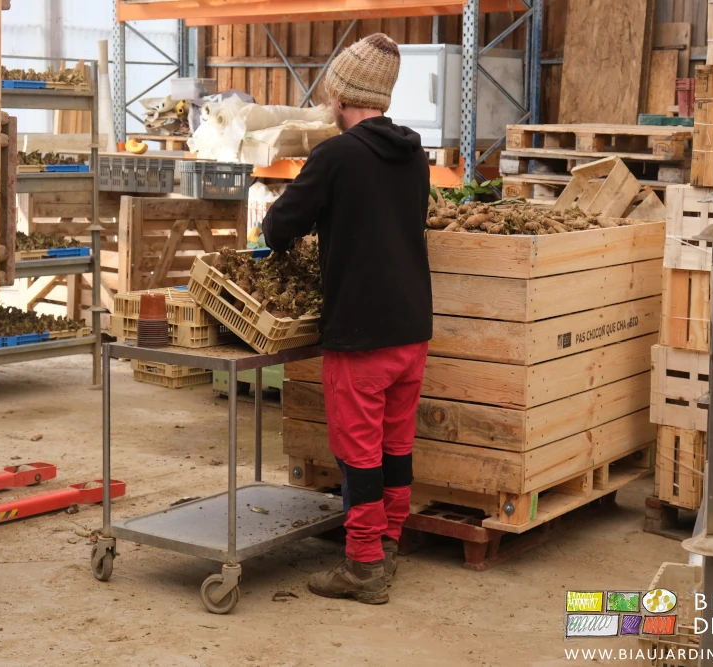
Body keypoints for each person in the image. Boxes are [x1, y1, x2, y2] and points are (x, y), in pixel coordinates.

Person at [261, 33, 432, 605]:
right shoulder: (415, 155)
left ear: (340, 98)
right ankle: (388, 542)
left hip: (360, 333)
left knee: (358, 454)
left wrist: (288, 226)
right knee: (395, 446)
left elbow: (280, 226)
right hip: (411, 328)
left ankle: (363, 566)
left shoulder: (336, 155)